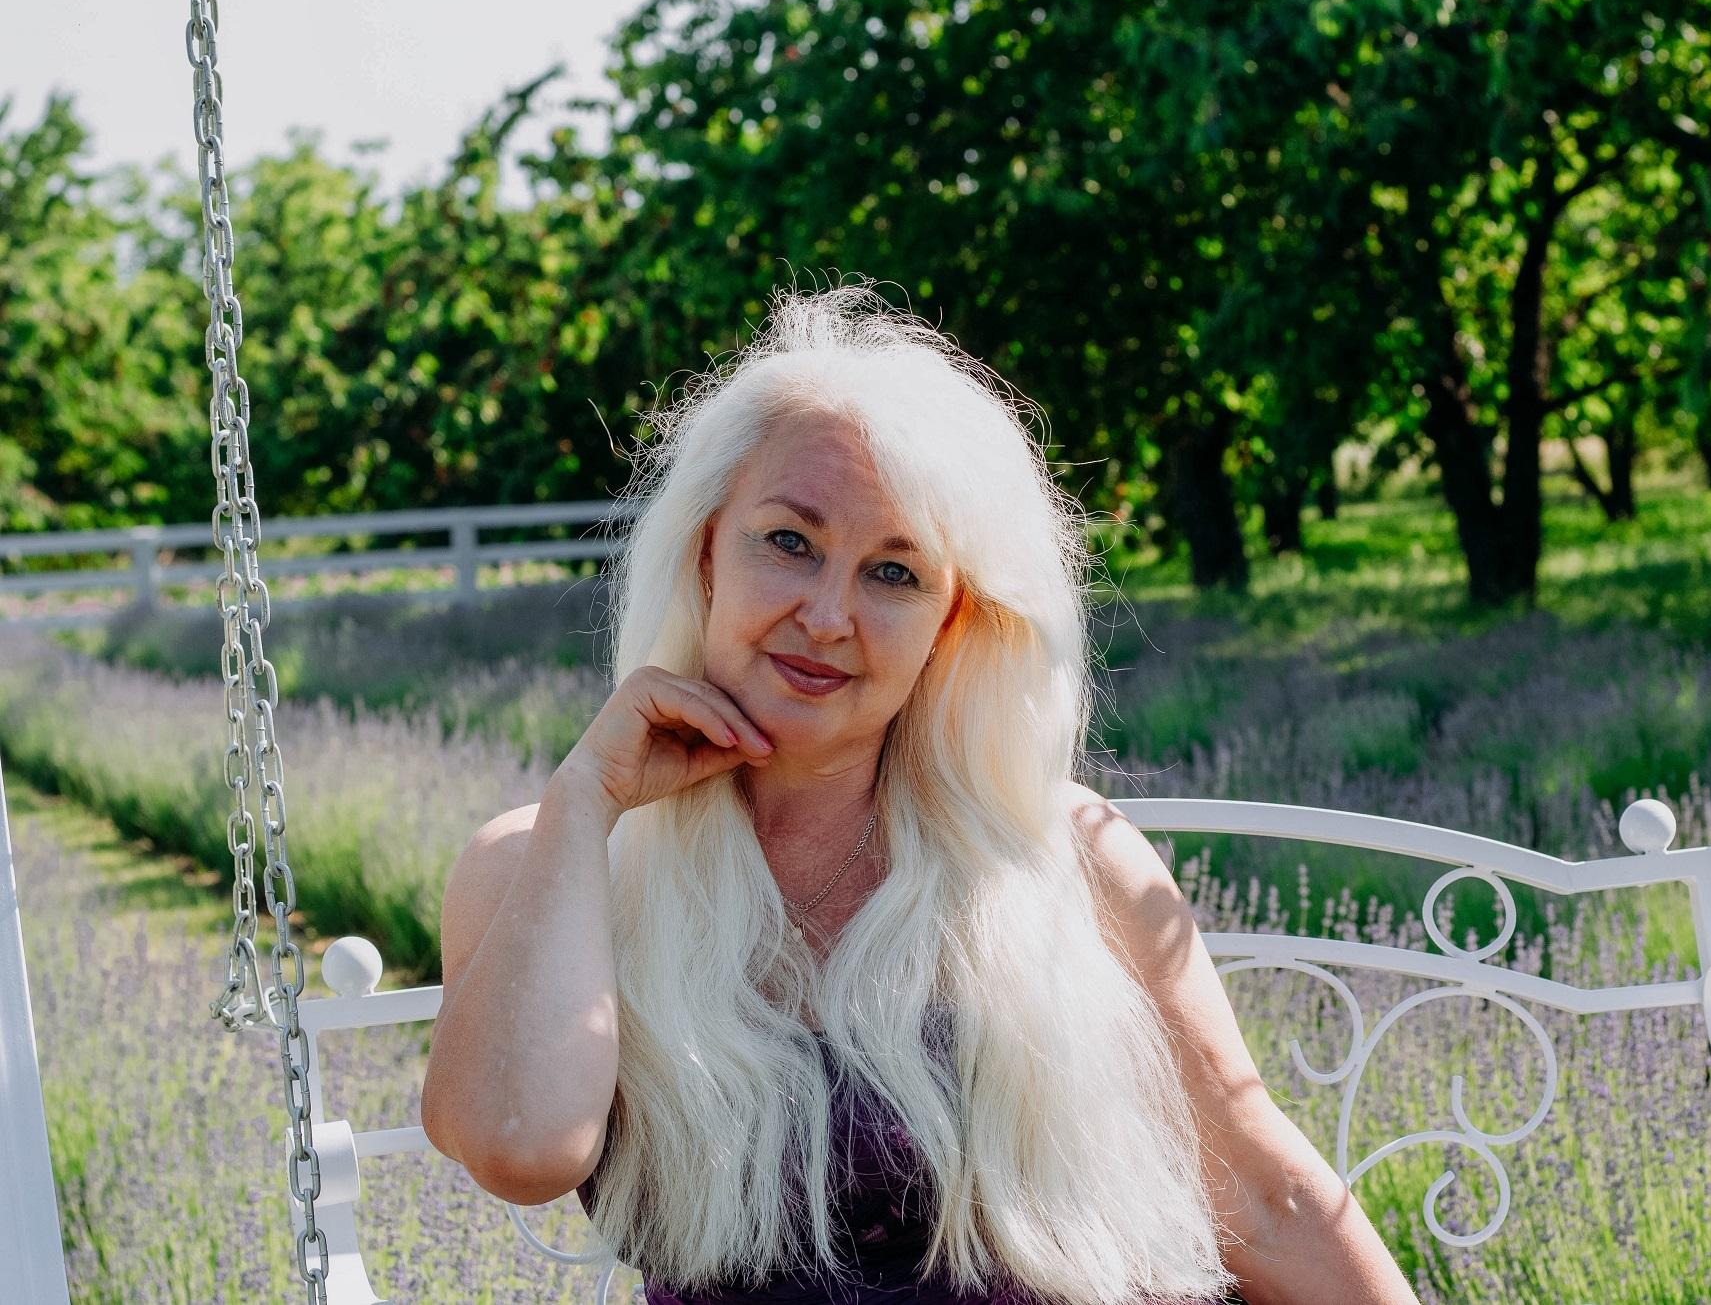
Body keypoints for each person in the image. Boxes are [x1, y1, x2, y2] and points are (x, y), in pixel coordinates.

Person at [420, 279, 1419, 1304]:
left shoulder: (1062, 858)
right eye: (790, 541)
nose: (827, 615)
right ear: (706, 550)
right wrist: (586, 797)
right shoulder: (545, 863)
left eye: (893, 573)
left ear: (952, 620)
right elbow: (519, 1145)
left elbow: (1262, 1201)